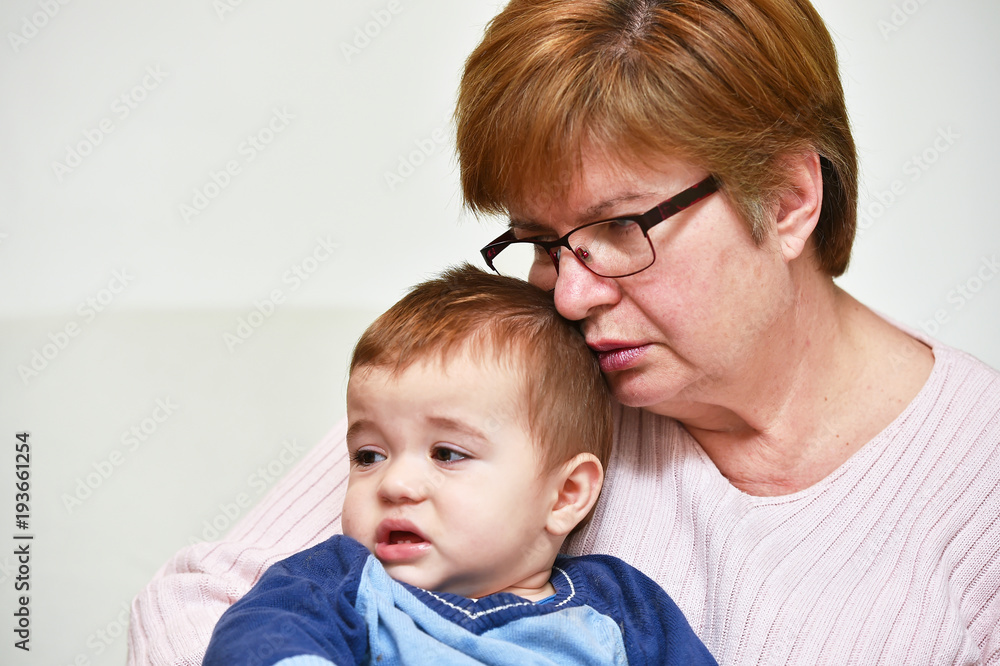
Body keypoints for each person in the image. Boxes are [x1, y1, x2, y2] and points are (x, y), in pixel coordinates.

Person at [129, 1, 1000, 664]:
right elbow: (192, 610)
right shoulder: (524, 378)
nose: (571, 295)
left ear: (785, 200)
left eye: (621, 229)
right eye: (541, 242)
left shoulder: (979, 478)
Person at [200, 264, 717, 665]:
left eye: (447, 454)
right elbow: (257, 639)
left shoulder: (622, 609)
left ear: (565, 495)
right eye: (368, 456)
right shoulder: (341, 582)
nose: (395, 483)